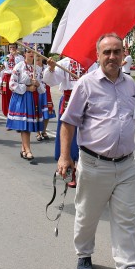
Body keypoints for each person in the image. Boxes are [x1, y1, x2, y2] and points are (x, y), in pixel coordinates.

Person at [58, 33, 135, 269]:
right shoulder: (86, 84)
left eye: (117, 51)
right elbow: (68, 122)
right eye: (107, 52)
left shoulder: (130, 84)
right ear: (98, 55)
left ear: (124, 55)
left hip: (126, 165)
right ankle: (84, 254)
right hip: (94, 163)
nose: (112, 56)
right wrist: (65, 156)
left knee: (125, 219)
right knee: (88, 214)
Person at [43, 56, 95, 188]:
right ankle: (69, 169)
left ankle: (84, 172)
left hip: (88, 101)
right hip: (69, 101)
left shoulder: (93, 62)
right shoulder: (65, 63)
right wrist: (51, 68)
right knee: (69, 137)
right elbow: (50, 81)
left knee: (88, 135)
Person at [6, 47, 45, 160]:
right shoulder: (19, 66)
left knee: (27, 124)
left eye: (34, 52)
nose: (32, 54)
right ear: (24, 54)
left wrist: (37, 84)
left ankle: (23, 149)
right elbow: (11, 84)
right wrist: (27, 88)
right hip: (21, 98)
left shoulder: (37, 69)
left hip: (32, 99)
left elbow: (43, 89)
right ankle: (28, 150)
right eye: (29, 52)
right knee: (25, 126)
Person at [0, 43, 23, 117]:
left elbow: (21, 68)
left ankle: (15, 114)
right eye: (10, 47)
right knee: (5, 95)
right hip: (6, 79)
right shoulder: (5, 58)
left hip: (15, 79)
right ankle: (7, 114)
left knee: (16, 95)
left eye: (13, 47)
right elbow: (2, 71)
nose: (12, 49)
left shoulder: (20, 58)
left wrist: (15, 56)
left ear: (16, 48)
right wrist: (0, 85)